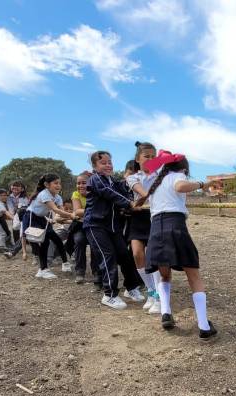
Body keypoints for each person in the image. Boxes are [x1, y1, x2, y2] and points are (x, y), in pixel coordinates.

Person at [138, 150, 217, 338]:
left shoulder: (155, 182)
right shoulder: (177, 176)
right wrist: (202, 184)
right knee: (194, 276)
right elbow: (181, 187)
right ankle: (204, 326)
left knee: (164, 275)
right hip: (175, 226)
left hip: (156, 230)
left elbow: (151, 174)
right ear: (183, 168)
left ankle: (166, 313)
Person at [83, 150, 144, 310]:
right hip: (95, 226)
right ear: (94, 166)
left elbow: (125, 192)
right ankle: (109, 295)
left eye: (110, 162)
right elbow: (109, 194)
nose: (108, 165)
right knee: (107, 256)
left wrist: (135, 192)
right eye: (103, 163)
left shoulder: (113, 181)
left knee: (124, 255)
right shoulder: (95, 179)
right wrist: (130, 204)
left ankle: (131, 288)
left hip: (112, 226)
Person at [125, 142, 162, 314]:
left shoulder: (161, 174)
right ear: (137, 159)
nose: (151, 159)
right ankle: (151, 291)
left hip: (155, 216)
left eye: (154, 156)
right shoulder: (133, 178)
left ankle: (159, 297)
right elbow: (143, 192)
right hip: (138, 218)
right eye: (147, 156)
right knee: (137, 254)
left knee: (153, 256)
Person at [27, 173, 75, 279]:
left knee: (56, 239)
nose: (58, 185)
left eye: (59, 183)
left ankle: (62, 264)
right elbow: (56, 210)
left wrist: (70, 216)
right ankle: (43, 269)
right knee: (44, 242)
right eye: (55, 183)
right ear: (47, 185)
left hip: (42, 218)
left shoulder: (57, 197)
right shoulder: (44, 194)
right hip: (32, 217)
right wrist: (72, 215)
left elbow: (61, 210)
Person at [71, 171, 101, 287]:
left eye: (84, 183)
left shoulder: (96, 193)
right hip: (80, 226)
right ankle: (80, 271)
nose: (80, 186)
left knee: (95, 244)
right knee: (79, 241)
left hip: (95, 226)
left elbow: (80, 212)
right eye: (78, 183)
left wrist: (85, 214)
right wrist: (96, 211)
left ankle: (96, 271)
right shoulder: (76, 194)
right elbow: (77, 211)